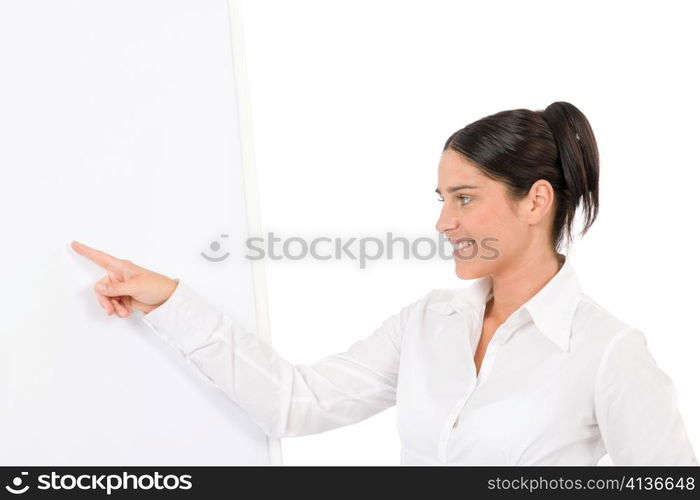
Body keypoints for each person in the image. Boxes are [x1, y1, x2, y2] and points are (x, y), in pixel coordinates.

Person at [71, 101, 697, 465]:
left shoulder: (608, 353)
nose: (443, 222)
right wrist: (171, 299)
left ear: (535, 201)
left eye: (465, 198)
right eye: (442, 198)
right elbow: (297, 402)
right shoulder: (428, 323)